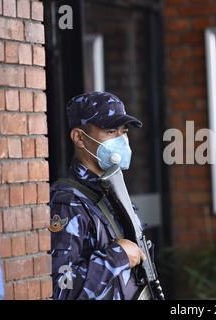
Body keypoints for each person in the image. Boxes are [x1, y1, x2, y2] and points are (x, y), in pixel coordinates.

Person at [49, 91, 147, 300]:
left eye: (124, 131)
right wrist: (117, 257)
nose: (121, 140)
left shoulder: (113, 191)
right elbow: (59, 289)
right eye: (111, 131)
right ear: (79, 138)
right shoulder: (67, 202)